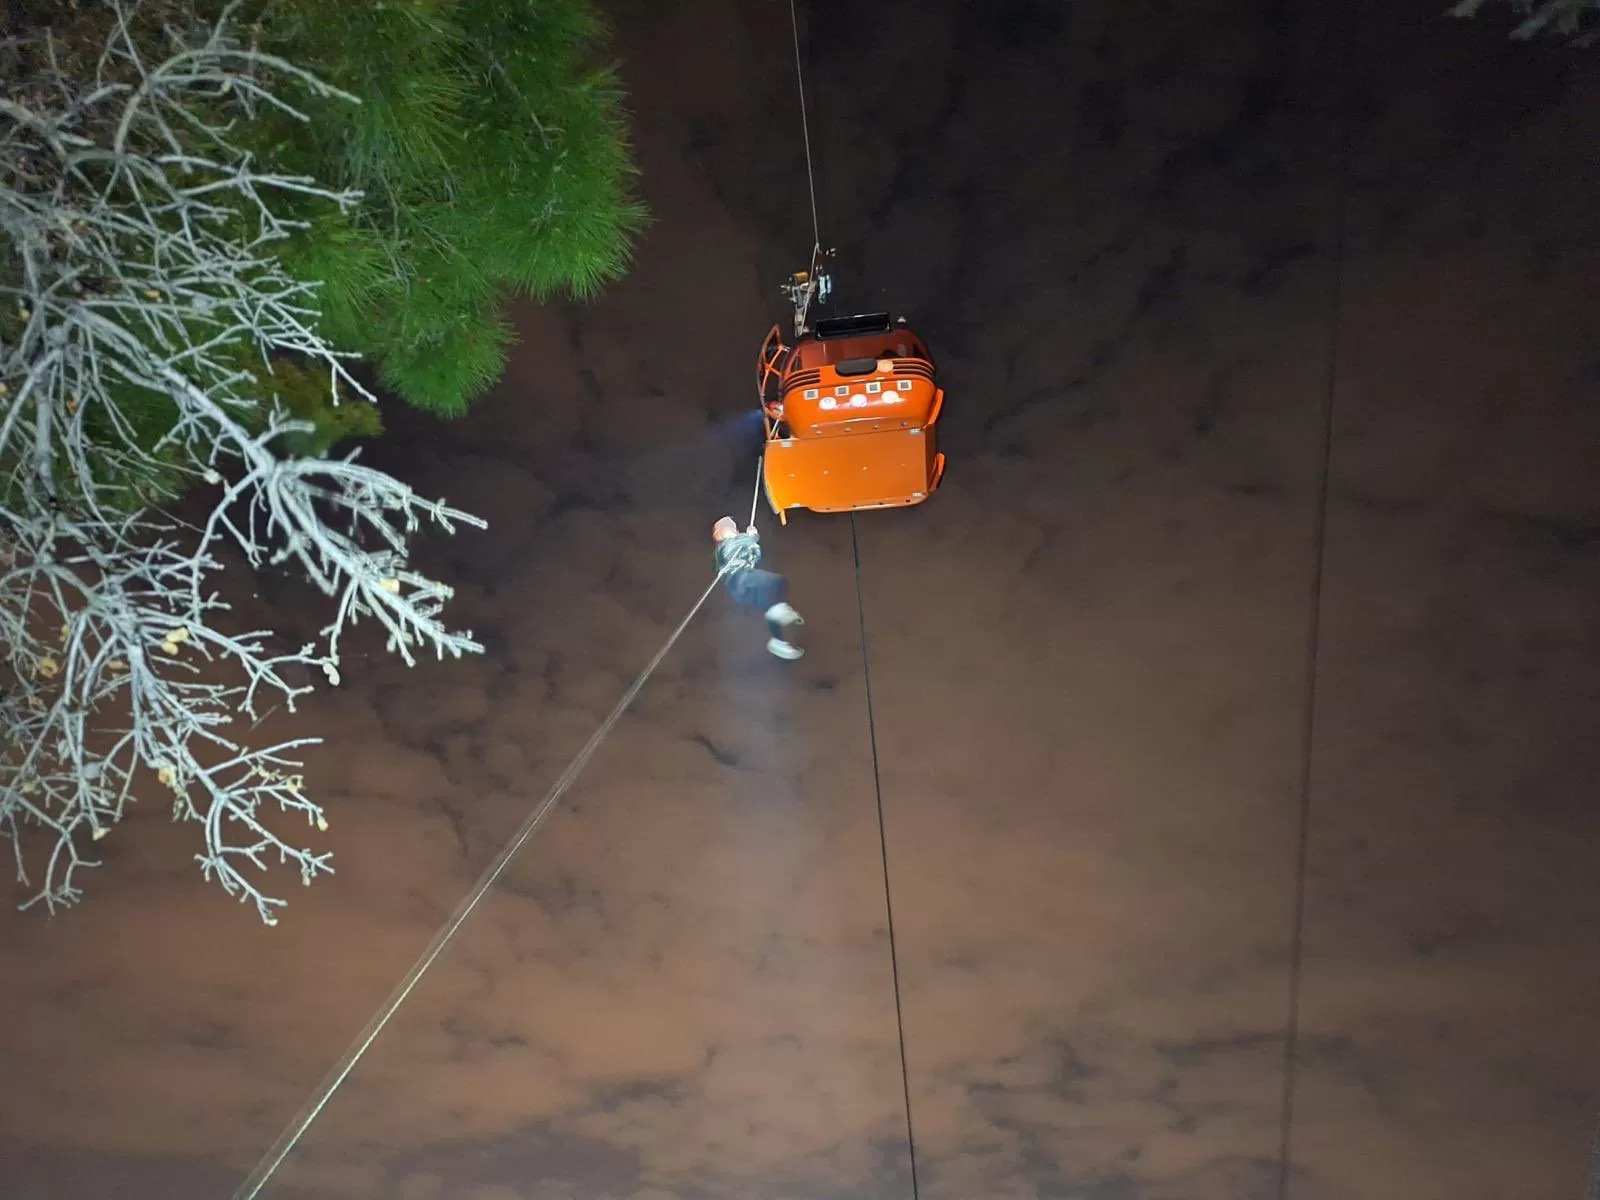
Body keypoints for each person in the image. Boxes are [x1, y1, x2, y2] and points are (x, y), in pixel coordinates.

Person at [711, 516, 805, 659]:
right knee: (776, 582)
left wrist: (753, 545)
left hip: (745, 590)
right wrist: (751, 537)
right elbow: (737, 544)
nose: (730, 531)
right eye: (725, 529)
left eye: (732, 528)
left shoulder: (740, 542)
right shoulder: (724, 547)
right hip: (740, 579)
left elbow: (756, 555)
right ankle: (779, 609)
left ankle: (777, 641)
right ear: (719, 535)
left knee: (771, 605)